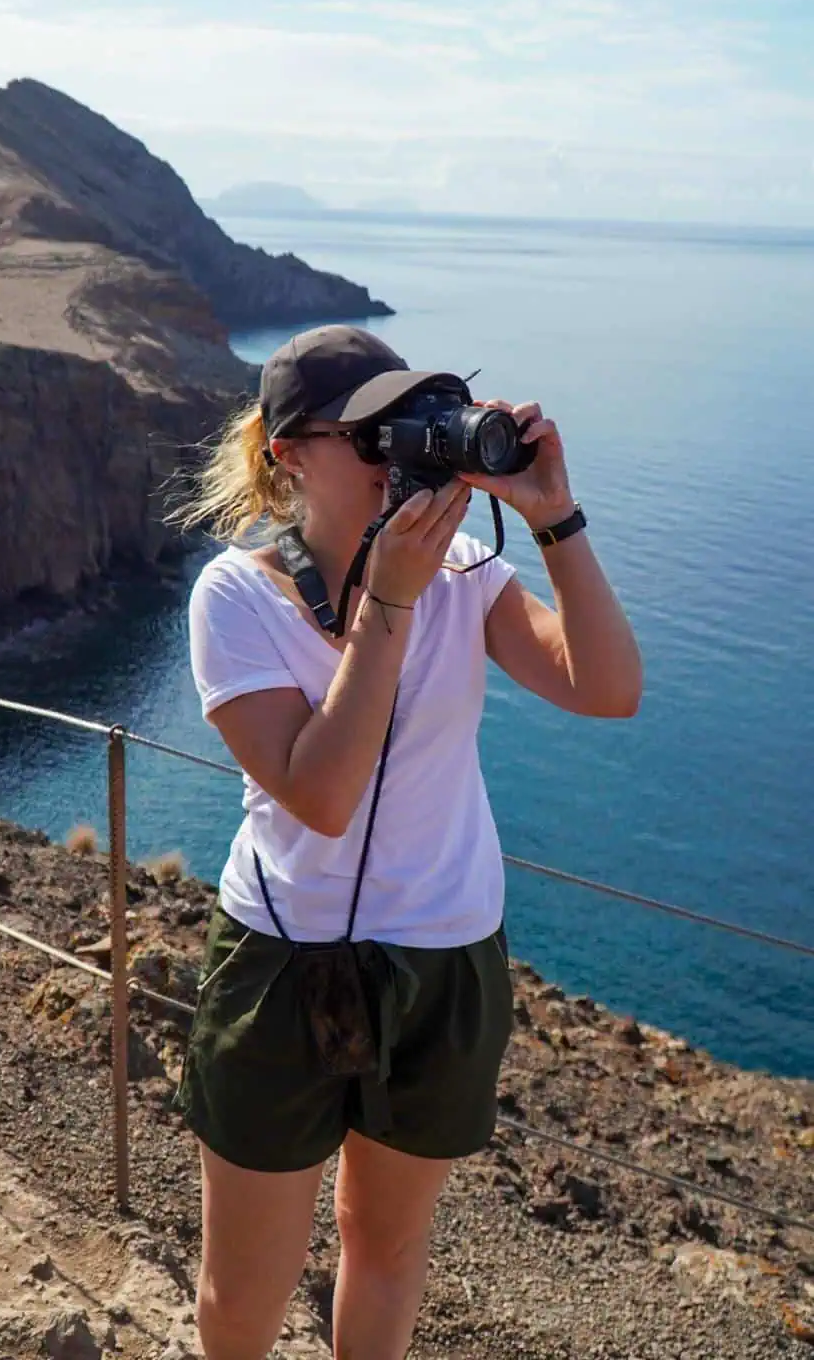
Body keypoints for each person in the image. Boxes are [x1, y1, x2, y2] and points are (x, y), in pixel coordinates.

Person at [175, 324, 642, 1360]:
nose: (402, 453)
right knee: (244, 1292)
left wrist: (556, 518)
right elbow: (322, 795)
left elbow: (609, 688)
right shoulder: (235, 596)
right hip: (285, 959)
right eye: (372, 434)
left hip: (443, 958)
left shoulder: (466, 574)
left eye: (414, 424)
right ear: (291, 454)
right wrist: (389, 598)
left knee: (385, 1249)